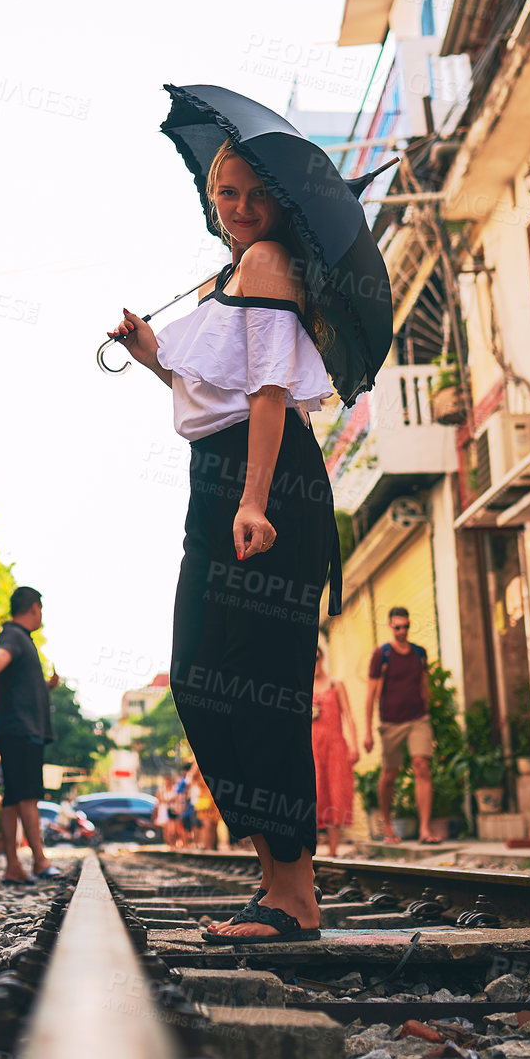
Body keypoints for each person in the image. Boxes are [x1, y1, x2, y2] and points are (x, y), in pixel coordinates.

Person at [109, 140, 337, 942]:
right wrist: (151, 359)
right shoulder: (228, 278)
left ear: (278, 204)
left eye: (254, 196)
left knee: (258, 683)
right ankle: (278, 880)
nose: (238, 210)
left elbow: (270, 388)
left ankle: (293, 895)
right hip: (218, 478)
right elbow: (210, 391)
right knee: (202, 679)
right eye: (225, 194)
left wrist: (254, 498)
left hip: (265, 478)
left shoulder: (270, 261)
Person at [0, 586, 67, 886]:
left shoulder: (20, 639)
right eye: (41, 610)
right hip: (22, 731)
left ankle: (13, 866)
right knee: (28, 796)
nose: (41, 617)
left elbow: (17, 681)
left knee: (11, 798)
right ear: (34, 607)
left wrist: (45, 686)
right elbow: (1, 655)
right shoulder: (15, 635)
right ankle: (39, 860)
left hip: (13, 729)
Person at [363, 606, 439, 843]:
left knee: (421, 766)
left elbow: (424, 687)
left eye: (406, 626)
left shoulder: (419, 653)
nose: (402, 631)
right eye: (398, 627)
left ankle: (425, 829)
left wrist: (429, 719)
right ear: (390, 626)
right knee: (389, 773)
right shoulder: (382, 655)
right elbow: (370, 694)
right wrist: (368, 731)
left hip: (418, 719)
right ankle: (386, 824)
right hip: (391, 722)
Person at [311, 642, 358, 857]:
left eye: (318, 658)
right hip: (311, 746)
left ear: (323, 659)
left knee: (335, 793)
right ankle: (310, 851)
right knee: (315, 793)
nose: (315, 663)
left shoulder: (335, 684)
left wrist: (354, 745)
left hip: (335, 746)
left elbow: (348, 715)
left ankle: (333, 850)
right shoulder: (302, 686)